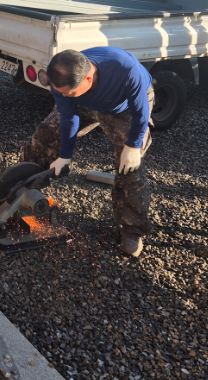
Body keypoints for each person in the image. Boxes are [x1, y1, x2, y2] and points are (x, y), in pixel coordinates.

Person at [21, 48, 155, 257]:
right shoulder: (61, 77)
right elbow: (68, 116)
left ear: (88, 78)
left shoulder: (125, 69)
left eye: (68, 93)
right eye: (60, 91)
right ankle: (20, 187)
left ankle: (132, 229)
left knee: (129, 167)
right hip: (85, 101)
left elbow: (140, 112)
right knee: (45, 135)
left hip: (124, 108)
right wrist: (65, 155)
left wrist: (133, 147)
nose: (63, 95)